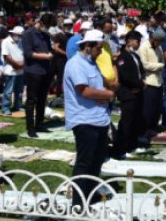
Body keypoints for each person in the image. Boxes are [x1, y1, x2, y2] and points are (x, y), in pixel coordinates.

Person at [64, 29, 115, 208]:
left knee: (98, 159)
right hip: (84, 119)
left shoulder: (92, 63)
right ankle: (78, 201)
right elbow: (84, 90)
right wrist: (108, 94)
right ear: (87, 46)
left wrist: (106, 92)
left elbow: (98, 84)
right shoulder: (76, 64)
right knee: (85, 161)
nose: (100, 52)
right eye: (98, 48)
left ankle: (90, 193)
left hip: (99, 118)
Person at [113, 30, 146, 158]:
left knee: (136, 119)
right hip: (128, 92)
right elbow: (125, 77)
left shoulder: (135, 56)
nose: (138, 43)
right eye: (137, 41)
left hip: (138, 92)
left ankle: (133, 143)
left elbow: (141, 70)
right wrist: (139, 85)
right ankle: (122, 146)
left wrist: (142, 82)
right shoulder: (122, 57)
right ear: (129, 41)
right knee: (127, 121)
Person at [22, 13, 55, 138]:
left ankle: (40, 123)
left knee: (42, 99)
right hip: (33, 71)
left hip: (45, 70)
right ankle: (30, 127)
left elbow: (49, 49)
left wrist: (50, 54)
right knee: (31, 100)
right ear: (40, 23)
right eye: (46, 25)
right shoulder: (28, 34)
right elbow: (28, 53)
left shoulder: (45, 35)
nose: (48, 28)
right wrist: (45, 56)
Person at [138, 28, 165, 134]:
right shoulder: (144, 48)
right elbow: (145, 65)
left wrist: (159, 65)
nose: (160, 44)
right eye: (159, 41)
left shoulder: (159, 47)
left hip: (158, 80)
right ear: (153, 39)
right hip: (149, 81)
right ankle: (144, 130)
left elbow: (162, 60)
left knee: (157, 108)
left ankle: (153, 128)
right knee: (148, 108)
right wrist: (159, 66)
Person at [1, 26, 25, 116]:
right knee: (8, 91)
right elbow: (6, 56)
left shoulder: (21, 42)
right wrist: (17, 65)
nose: (19, 37)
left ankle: (17, 106)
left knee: (19, 91)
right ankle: (5, 108)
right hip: (10, 70)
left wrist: (22, 64)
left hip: (21, 70)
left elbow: (25, 54)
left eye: (20, 35)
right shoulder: (6, 41)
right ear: (13, 33)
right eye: (18, 35)